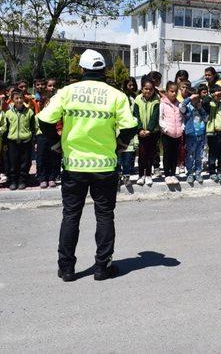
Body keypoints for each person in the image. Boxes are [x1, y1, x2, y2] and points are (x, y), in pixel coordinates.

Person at [37, 49, 138, 282]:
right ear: (104, 70)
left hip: (74, 164)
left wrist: (55, 144)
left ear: (81, 69)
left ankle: (67, 269)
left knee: (71, 215)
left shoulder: (67, 92)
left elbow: (44, 120)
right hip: (104, 166)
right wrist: (121, 145)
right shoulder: (116, 95)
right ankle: (103, 267)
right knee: (104, 215)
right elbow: (131, 126)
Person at [5, 89, 36, 190]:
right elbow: (6, 128)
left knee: (25, 163)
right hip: (12, 142)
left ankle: (22, 180)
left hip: (26, 141)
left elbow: (33, 127)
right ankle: (13, 181)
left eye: (21, 98)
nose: (19, 100)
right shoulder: (8, 113)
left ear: (24, 99)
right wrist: (5, 142)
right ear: (12, 100)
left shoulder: (29, 112)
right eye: (16, 98)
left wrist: (33, 140)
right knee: (13, 163)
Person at [133, 78, 160, 186]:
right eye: (145, 89)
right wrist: (140, 130)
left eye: (150, 89)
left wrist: (149, 129)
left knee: (150, 154)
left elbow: (155, 116)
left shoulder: (157, 100)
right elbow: (136, 115)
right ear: (142, 88)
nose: (148, 91)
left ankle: (148, 174)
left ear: (154, 90)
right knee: (142, 154)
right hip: (141, 132)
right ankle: (141, 175)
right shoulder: (137, 99)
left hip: (153, 132)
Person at [36, 79, 62, 189]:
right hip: (41, 136)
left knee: (54, 157)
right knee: (41, 157)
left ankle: (52, 177)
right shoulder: (38, 115)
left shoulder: (57, 113)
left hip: (54, 135)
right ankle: (43, 178)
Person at [181, 89, 208, 184]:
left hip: (200, 136)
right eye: (194, 98)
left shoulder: (200, 108)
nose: (196, 100)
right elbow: (181, 106)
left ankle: (198, 173)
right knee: (190, 155)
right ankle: (189, 173)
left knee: (199, 156)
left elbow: (206, 118)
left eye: (197, 98)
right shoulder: (187, 107)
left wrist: (200, 108)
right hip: (191, 136)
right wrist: (189, 98)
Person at [159, 82, 183, 186]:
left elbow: (182, 118)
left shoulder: (179, 104)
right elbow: (160, 118)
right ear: (167, 91)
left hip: (177, 134)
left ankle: (173, 174)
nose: (174, 94)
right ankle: (167, 174)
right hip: (167, 134)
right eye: (171, 91)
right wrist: (165, 128)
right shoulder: (163, 104)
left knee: (175, 155)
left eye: (175, 92)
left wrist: (182, 128)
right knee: (167, 154)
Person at [206, 85, 221, 182]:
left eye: (220, 94)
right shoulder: (209, 104)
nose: (219, 96)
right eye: (217, 94)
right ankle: (212, 171)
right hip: (212, 133)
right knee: (212, 154)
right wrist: (212, 95)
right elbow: (204, 102)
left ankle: (220, 171)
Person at [118, 78, 138, 187]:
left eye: (132, 85)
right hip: (119, 130)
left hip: (130, 129)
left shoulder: (135, 98)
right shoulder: (121, 97)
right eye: (129, 85)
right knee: (118, 157)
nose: (131, 87)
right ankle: (117, 175)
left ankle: (126, 176)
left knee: (128, 156)